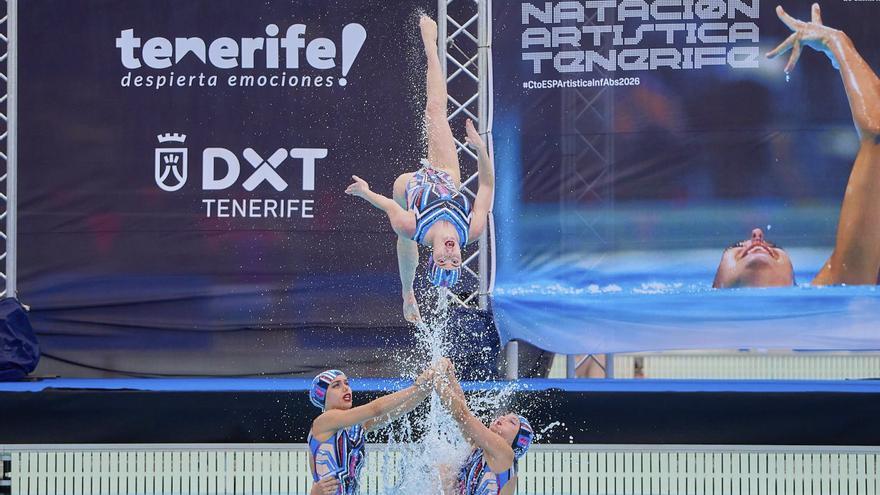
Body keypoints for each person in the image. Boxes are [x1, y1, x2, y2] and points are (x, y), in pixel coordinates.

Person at [713, 3, 880, 288]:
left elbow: (876, 132)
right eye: (734, 245)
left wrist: (835, 42)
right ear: (714, 284)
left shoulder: (836, 288)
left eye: (774, 245)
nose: (756, 235)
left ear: (795, 280)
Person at [345, 15, 495, 322]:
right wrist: (480, 149)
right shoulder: (473, 230)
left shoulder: (414, 227)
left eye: (443, 261)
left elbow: (388, 205)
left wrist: (365, 192)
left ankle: (407, 291)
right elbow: (487, 187)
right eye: (456, 262)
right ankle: (431, 45)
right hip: (444, 177)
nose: (451, 256)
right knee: (435, 111)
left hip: (409, 187)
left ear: (434, 258)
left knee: (403, 237)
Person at [307, 367, 435, 494]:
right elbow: (376, 409)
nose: (345, 388)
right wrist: (416, 386)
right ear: (323, 396)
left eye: (346, 383)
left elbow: (400, 409)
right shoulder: (323, 421)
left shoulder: (355, 427)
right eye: (336, 385)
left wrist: (427, 387)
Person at [433, 358, 534, 495]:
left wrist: (436, 380)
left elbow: (462, 415)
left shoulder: (505, 454)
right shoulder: (482, 449)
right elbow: (463, 408)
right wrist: (450, 375)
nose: (503, 418)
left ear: (515, 442)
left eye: (512, 422)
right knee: (444, 471)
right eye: (506, 416)